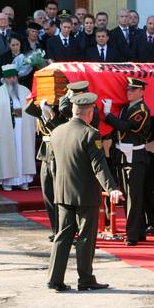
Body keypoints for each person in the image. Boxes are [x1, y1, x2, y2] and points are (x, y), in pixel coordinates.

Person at [47, 92, 123, 292]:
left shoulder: (57, 131)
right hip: (86, 194)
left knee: (62, 236)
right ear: (89, 113)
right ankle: (86, 279)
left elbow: (53, 166)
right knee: (86, 237)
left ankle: (55, 279)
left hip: (63, 192)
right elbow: (99, 166)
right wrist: (112, 188)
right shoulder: (91, 134)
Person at [103, 77, 152, 246]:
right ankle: (138, 232)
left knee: (133, 197)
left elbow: (125, 127)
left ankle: (132, 235)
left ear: (141, 92)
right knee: (128, 196)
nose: (129, 92)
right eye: (128, 90)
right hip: (123, 155)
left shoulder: (142, 110)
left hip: (135, 158)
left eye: (133, 90)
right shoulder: (126, 107)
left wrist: (108, 115)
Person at [24, 88, 68, 241]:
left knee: (59, 195)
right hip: (45, 155)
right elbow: (28, 108)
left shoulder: (63, 109)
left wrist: (49, 112)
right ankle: (56, 229)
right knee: (48, 194)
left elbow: (57, 129)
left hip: (58, 154)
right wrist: (37, 93)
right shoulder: (43, 107)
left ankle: (64, 229)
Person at [0, 64, 36, 191]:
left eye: (14, 77)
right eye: (9, 78)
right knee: (7, 154)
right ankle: (7, 181)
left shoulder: (25, 91)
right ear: (4, 79)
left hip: (23, 128)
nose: (12, 80)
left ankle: (23, 181)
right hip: (5, 129)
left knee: (22, 153)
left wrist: (35, 126)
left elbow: (32, 111)